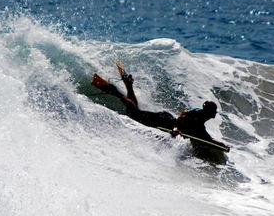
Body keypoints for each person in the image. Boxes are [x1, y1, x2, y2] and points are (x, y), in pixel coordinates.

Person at [92, 61, 229, 152]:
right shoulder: (197, 114)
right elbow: (182, 118)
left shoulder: (201, 123)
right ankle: (112, 89)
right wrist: (176, 129)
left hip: (165, 118)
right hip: (162, 120)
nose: (215, 114)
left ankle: (128, 84)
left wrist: (221, 145)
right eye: (213, 111)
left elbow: (206, 138)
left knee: (136, 111)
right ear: (208, 112)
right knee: (133, 114)